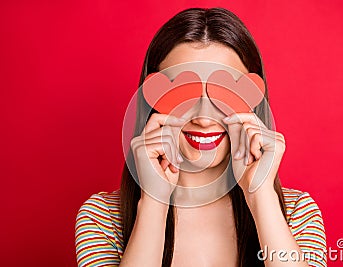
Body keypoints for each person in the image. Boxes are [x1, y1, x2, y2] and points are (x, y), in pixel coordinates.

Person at [75, 7, 326, 267]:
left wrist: (260, 195)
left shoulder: (296, 213)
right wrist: (154, 203)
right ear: (153, 99)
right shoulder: (102, 217)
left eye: (224, 93)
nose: (204, 119)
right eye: (184, 92)